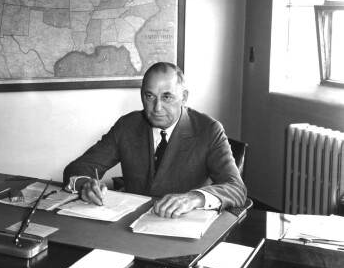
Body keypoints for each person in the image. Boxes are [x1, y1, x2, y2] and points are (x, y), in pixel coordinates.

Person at [63, 62, 246, 218]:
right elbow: (78, 168)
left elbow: (236, 188)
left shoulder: (208, 130)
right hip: (131, 225)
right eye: (149, 96)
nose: (157, 107)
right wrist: (84, 184)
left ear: (184, 97)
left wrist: (195, 198)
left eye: (167, 97)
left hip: (183, 228)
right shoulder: (127, 125)